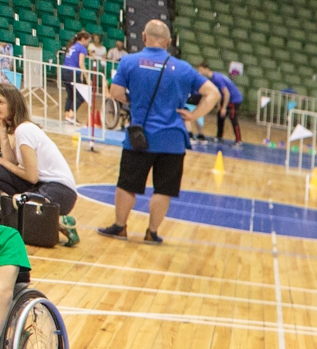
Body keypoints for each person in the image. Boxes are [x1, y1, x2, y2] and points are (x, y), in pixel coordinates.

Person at [97, 21, 219, 245]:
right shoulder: (183, 68)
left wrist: (134, 102)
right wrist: (193, 115)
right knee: (163, 189)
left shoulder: (129, 61)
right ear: (169, 42)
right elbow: (213, 93)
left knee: (127, 184)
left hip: (139, 137)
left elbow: (115, 92)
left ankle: (120, 226)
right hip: (172, 140)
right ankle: (151, 232)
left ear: (144, 37)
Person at [0, 82, 81, 246]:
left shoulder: (25, 130)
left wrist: (2, 162)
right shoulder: (20, 130)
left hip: (59, 191)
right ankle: (51, 221)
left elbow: (31, 176)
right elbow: (10, 164)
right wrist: (2, 132)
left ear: (13, 104)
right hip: (47, 187)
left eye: (0, 102)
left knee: (18, 205)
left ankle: (58, 221)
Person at [195, 63, 242, 143]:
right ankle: (219, 137)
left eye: (201, 70)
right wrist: (219, 105)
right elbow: (218, 93)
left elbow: (226, 93)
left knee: (233, 118)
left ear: (207, 69)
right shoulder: (210, 79)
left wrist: (224, 107)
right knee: (220, 116)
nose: (200, 72)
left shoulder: (217, 78)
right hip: (225, 98)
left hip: (234, 99)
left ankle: (238, 140)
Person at [62, 32, 90, 123]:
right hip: (73, 72)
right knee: (80, 95)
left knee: (70, 94)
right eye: (88, 41)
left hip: (64, 71)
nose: (88, 43)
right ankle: (71, 115)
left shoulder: (72, 46)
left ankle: (67, 115)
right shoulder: (82, 49)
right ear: (83, 39)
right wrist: (87, 77)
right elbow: (81, 63)